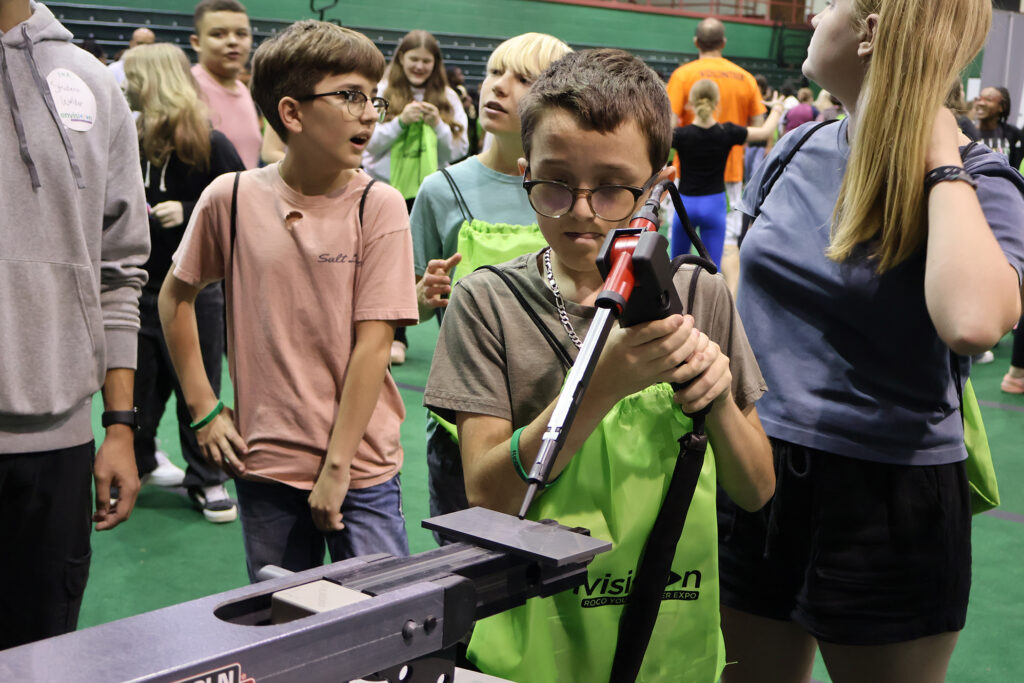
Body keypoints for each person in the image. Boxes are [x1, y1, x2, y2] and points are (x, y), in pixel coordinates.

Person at [424, 48, 774, 682]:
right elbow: (490, 497)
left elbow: (755, 489)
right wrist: (600, 385)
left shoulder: (700, 295)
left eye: (614, 188)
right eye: (555, 183)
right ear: (525, 171)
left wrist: (717, 397)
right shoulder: (486, 301)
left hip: (669, 648)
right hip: (531, 651)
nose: (582, 210)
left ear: (660, 182)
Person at [721, 1, 1024, 681]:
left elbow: (974, 321)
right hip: (758, 470)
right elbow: (743, 273)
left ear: (869, 32)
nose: (815, 14)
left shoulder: (980, 182)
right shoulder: (798, 145)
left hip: (888, 497)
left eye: (829, 3)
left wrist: (941, 153)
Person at [159, 20, 417, 581]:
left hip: (362, 467)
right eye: (349, 95)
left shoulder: (380, 204)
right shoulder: (229, 197)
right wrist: (202, 408)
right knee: (285, 630)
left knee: (388, 632)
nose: (370, 112)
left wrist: (337, 469)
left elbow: (374, 346)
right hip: (266, 464)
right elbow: (175, 298)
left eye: (372, 97)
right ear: (292, 113)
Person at [0, 0, 149, 649]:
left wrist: (120, 424)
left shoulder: (90, 82)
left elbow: (120, 270)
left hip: (56, 447)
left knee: (38, 651)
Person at [410, 32, 571, 543]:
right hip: (464, 430)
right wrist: (420, 296)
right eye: (494, 72)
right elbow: (401, 310)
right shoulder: (441, 190)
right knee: (468, 583)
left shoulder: (574, 192)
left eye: (522, 78)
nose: (498, 87)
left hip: (563, 425)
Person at [123, 42, 246, 521]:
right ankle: (140, 460)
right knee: (138, 390)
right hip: (136, 289)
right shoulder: (128, 138)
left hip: (196, 293)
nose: (126, 85)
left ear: (154, 83)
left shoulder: (210, 144)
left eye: (133, 77)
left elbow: (246, 205)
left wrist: (192, 211)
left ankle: (208, 476)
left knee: (200, 388)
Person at [362, 29, 468, 365]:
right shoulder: (381, 91)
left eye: (426, 60)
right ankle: (395, 335)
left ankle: (451, 338)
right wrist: (399, 124)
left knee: (430, 267)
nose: (419, 66)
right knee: (388, 265)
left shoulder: (448, 97)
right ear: (401, 59)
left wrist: (438, 125)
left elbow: (458, 149)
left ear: (435, 63)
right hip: (386, 190)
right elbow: (367, 143)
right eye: (414, 59)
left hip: (430, 194)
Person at [666, 17, 766, 296]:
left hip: (686, 179)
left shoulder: (682, 75)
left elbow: (669, 126)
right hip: (727, 178)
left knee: (680, 247)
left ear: (696, 42)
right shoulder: (745, 77)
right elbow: (759, 128)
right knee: (729, 244)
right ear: (723, 43)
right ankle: (728, 303)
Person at [671, 79, 783, 267]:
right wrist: (778, 108)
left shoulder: (680, 135)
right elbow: (765, 132)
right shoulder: (727, 132)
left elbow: (652, 133)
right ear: (717, 102)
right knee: (712, 270)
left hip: (685, 206)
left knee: (675, 269)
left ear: (691, 101)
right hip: (714, 206)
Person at [190, 0, 261, 169]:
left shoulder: (243, 90)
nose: (232, 41)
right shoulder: (188, 90)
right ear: (196, 43)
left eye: (241, 34)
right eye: (218, 34)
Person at [974, 85, 1024, 169]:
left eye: (988, 100)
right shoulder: (968, 133)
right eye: (979, 99)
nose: (981, 103)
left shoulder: (1013, 134)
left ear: (1001, 107)